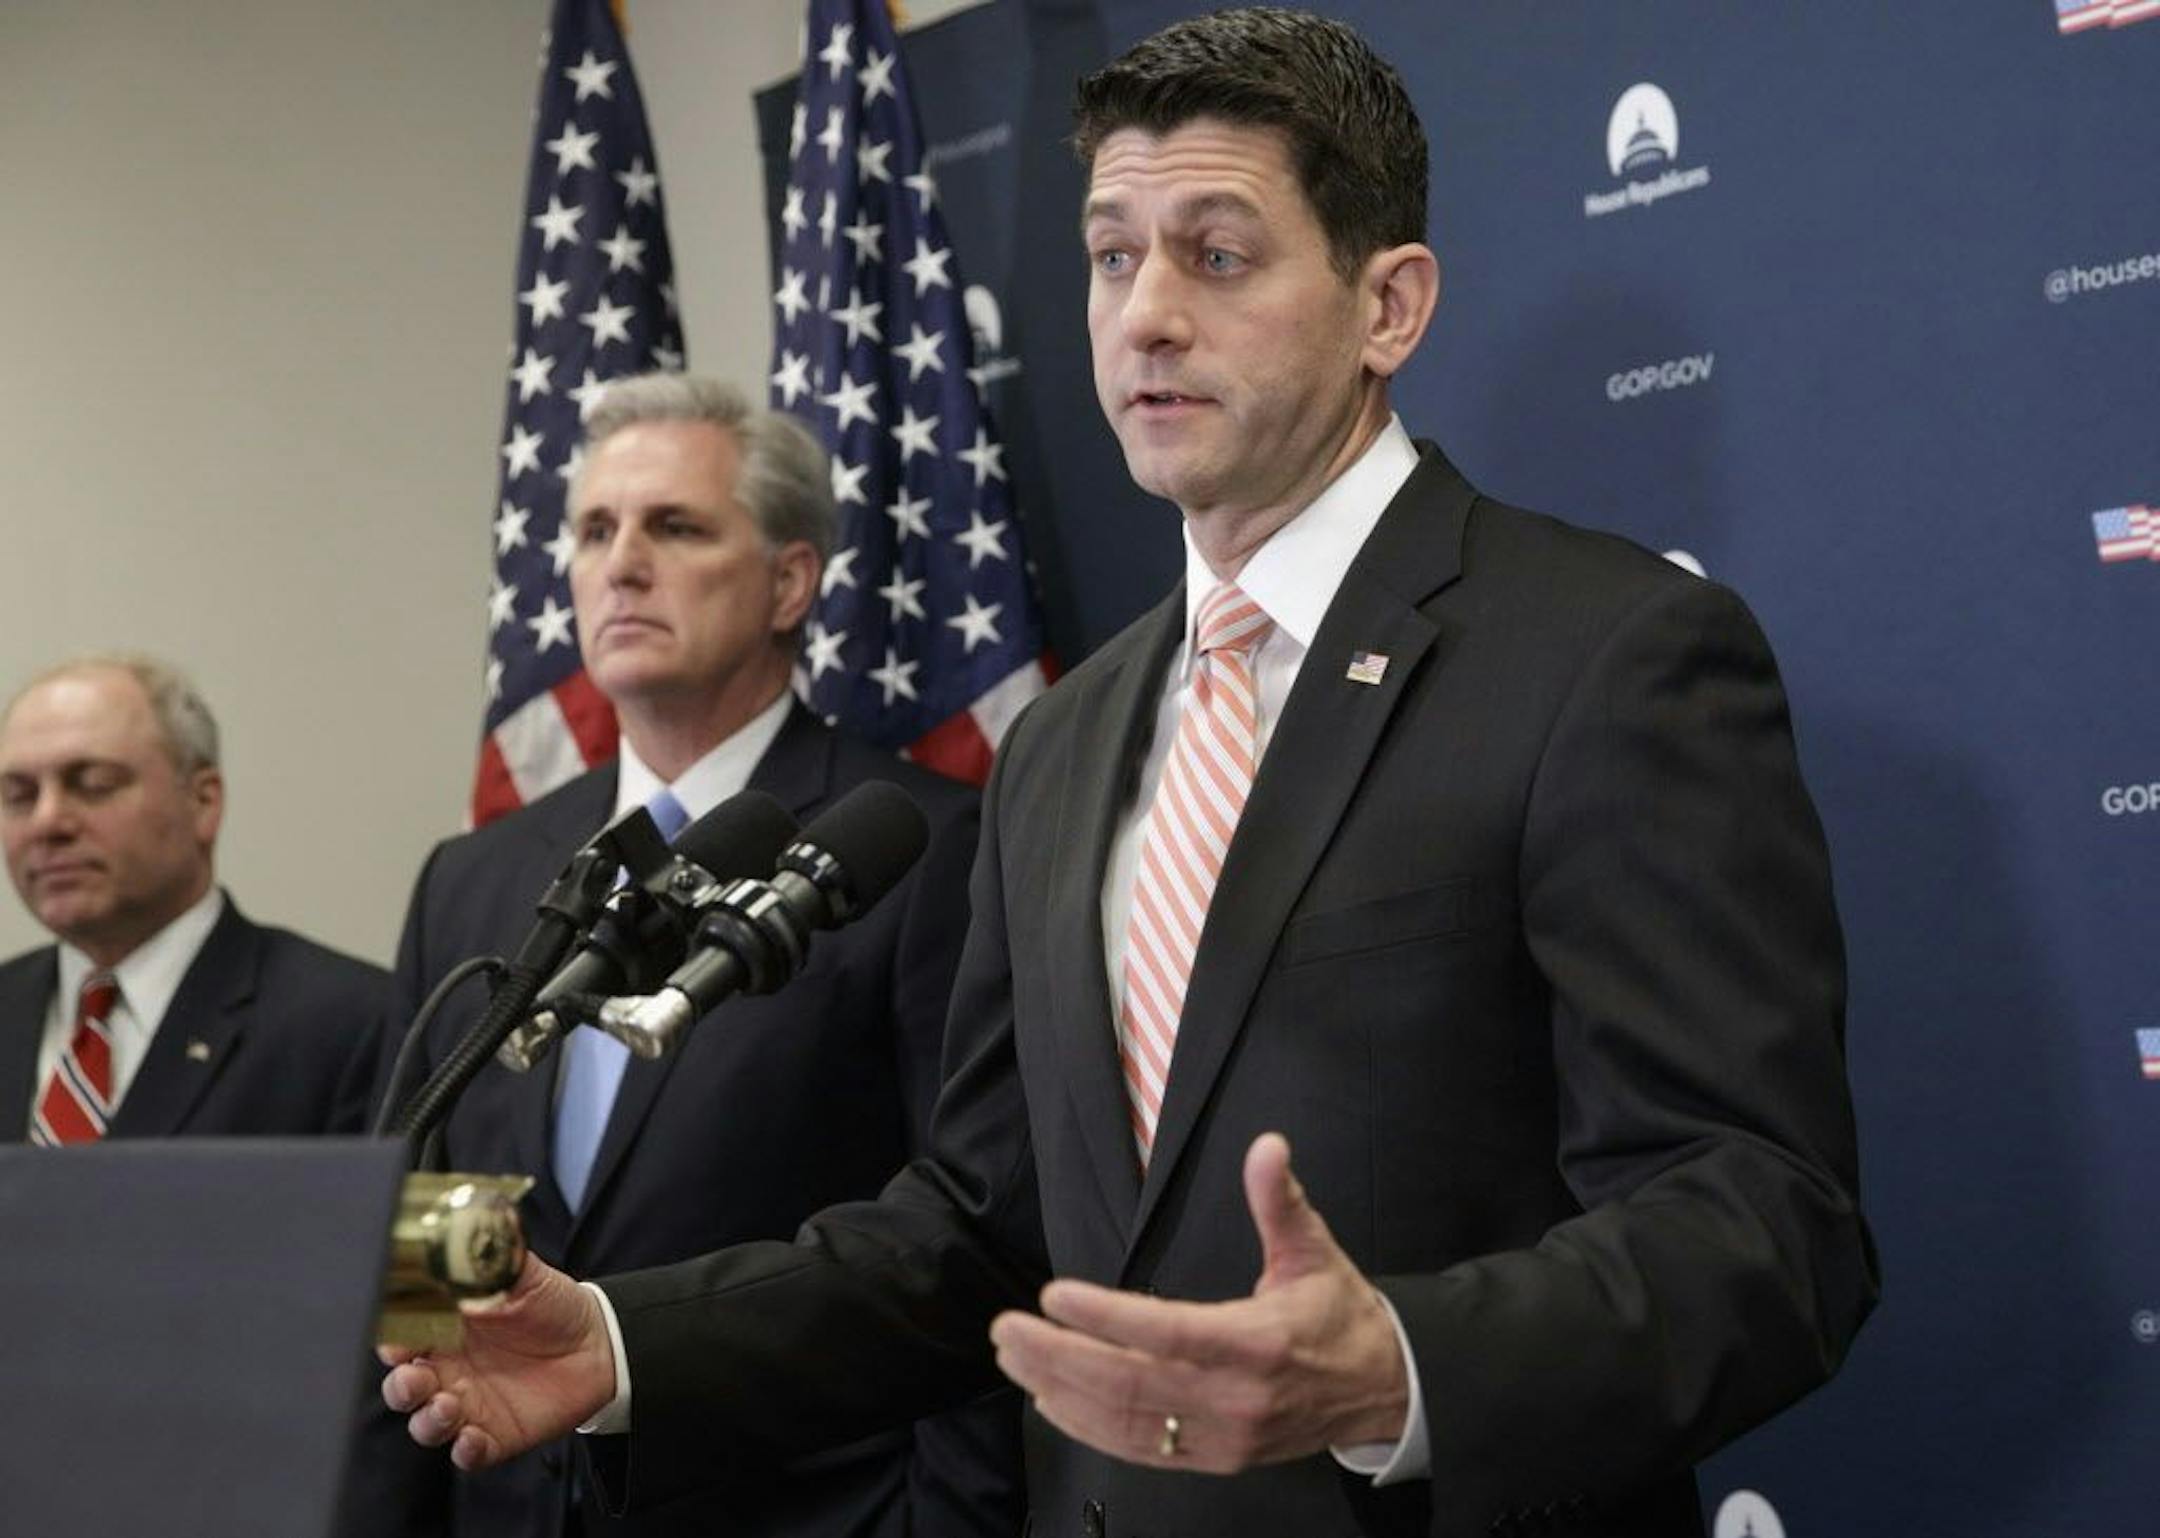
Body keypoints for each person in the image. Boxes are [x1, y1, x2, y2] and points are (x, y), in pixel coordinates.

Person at [383, 12, 1878, 1536]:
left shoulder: (1605, 657)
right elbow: (981, 1228)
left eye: (1217, 255)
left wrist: (1401, 1367)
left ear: (1389, 306)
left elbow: (1766, 1217)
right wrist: (623, 1342)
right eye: (1112, 256)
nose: (1146, 314)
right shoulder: (1064, 740)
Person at [377, 373, 1024, 1538]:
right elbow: (431, 1232)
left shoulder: (920, 850)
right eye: (594, 531)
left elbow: (971, 1245)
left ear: (790, 581)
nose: (622, 564)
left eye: (674, 527)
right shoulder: (473, 876)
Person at [0, 654, 384, 1143]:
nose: (47, 822)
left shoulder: (349, 1022)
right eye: (19, 796)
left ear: (203, 802)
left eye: (94, 785)